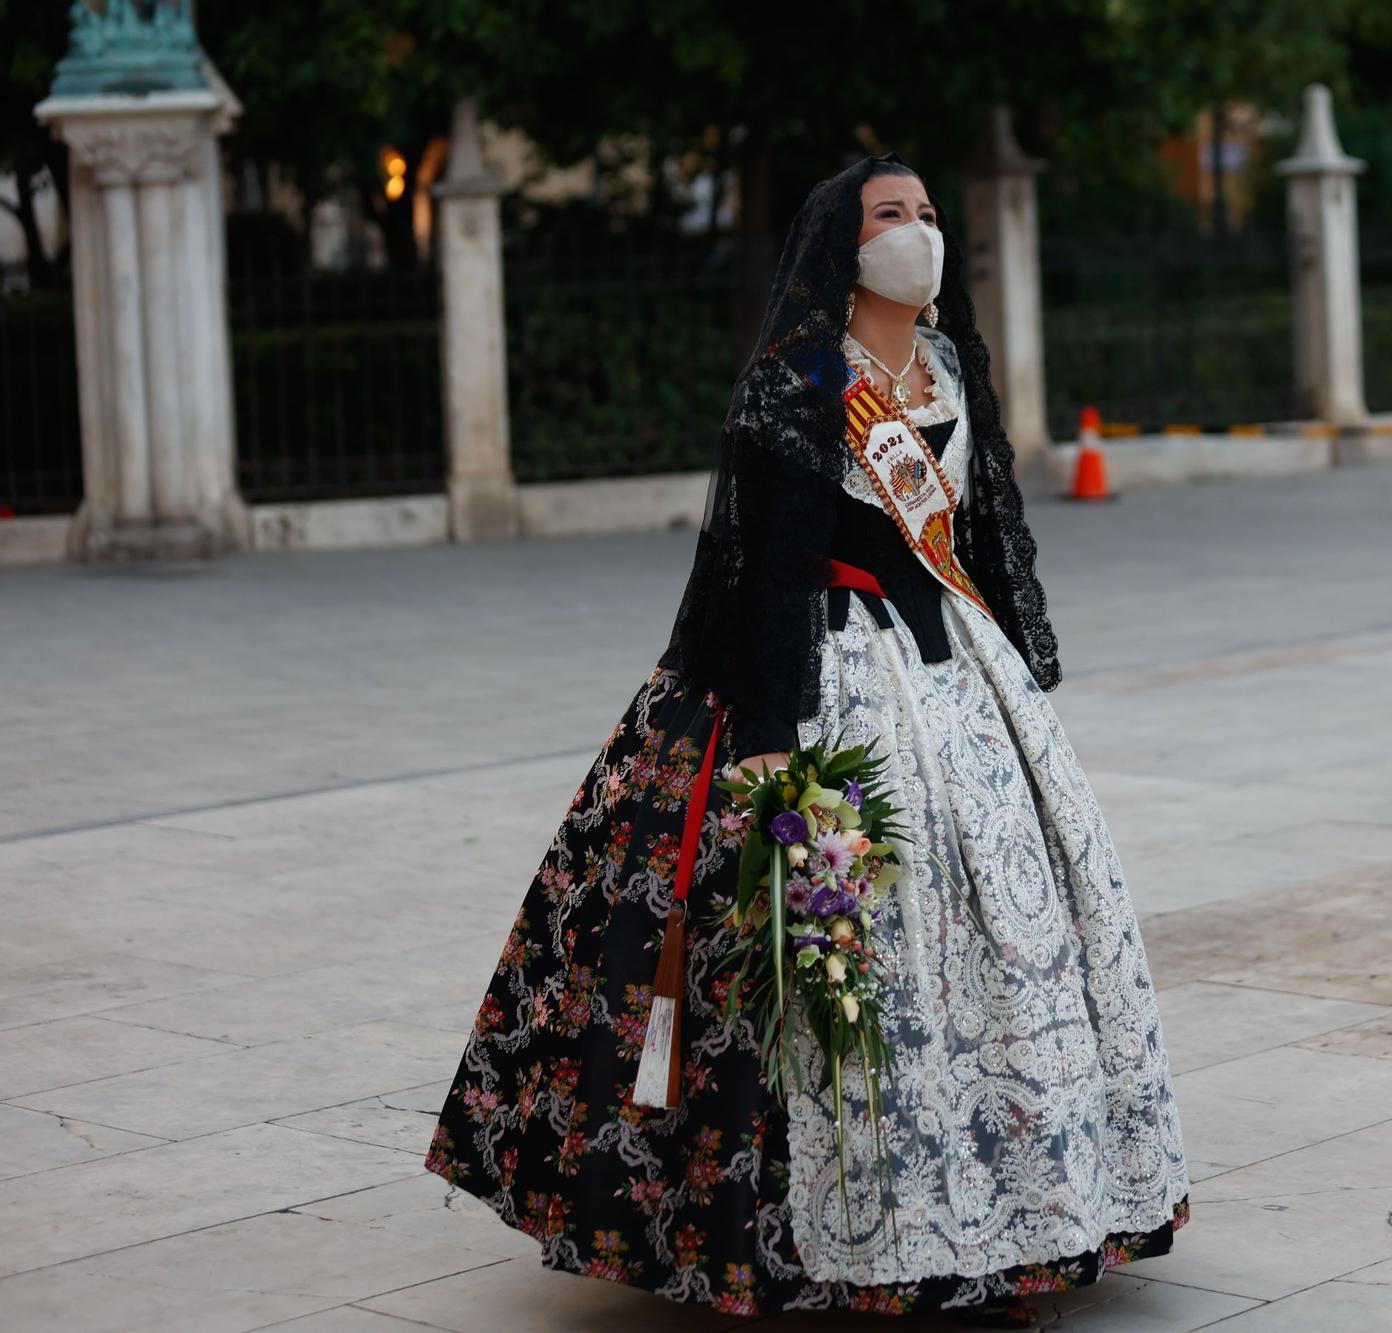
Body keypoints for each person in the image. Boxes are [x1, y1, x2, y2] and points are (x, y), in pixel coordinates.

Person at [423, 152, 1191, 1325]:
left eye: (930, 213)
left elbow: (976, 538)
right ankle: (810, 1235)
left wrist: (1011, 683)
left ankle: (1016, 1216)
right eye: (892, 215)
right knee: (844, 943)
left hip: (952, 672)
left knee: (1001, 927)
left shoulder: (943, 366)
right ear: (842, 244)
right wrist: (770, 738)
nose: (917, 234)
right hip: (829, 673)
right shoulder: (797, 375)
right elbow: (768, 566)